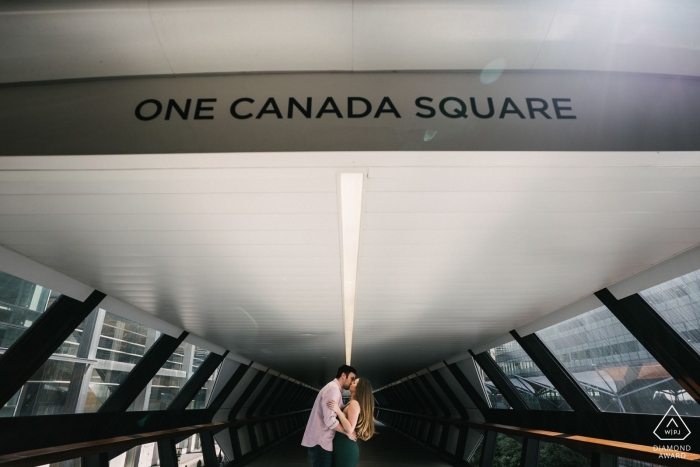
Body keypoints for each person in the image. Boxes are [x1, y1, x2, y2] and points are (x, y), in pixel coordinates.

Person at [301, 364, 358, 467]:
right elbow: (329, 420)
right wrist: (347, 433)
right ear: (343, 375)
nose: (352, 382)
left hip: (323, 442)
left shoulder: (336, 390)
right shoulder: (333, 389)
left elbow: (340, 411)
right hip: (321, 442)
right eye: (352, 378)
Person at [327, 377, 376, 467]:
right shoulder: (352, 402)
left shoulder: (354, 403)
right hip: (344, 446)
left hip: (345, 448)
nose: (352, 383)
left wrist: (338, 410)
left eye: (355, 383)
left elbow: (350, 429)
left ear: (359, 388)